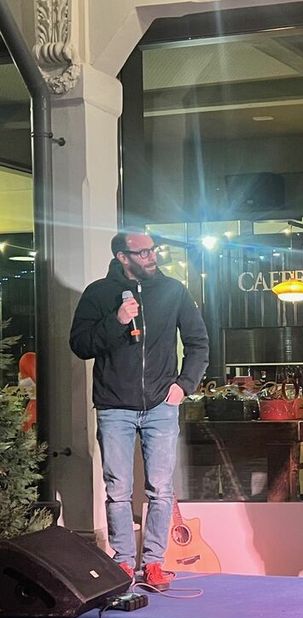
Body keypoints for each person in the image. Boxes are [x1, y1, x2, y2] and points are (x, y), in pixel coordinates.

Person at [69, 231, 209, 590]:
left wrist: (184, 385)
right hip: (114, 406)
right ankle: (123, 562)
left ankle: (154, 562)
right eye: (143, 252)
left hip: (161, 405)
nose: (151, 256)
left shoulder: (173, 291)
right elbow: (80, 345)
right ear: (123, 257)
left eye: (152, 250)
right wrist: (116, 321)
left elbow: (198, 343)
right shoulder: (98, 294)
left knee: (160, 489)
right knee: (118, 489)